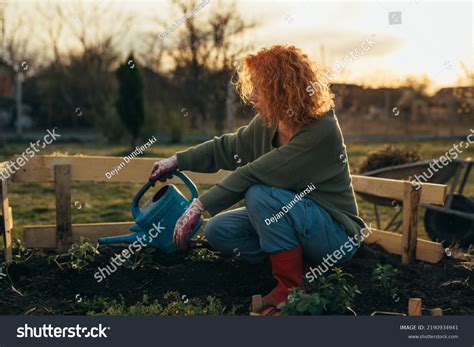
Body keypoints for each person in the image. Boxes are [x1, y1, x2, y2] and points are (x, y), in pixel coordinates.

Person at [149, 45, 366, 315]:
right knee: (219, 230)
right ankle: (301, 267)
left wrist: (198, 205)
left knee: (259, 194)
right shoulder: (270, 121)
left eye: (258, 88)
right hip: (294, 220)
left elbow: (253, 173)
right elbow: (228, 148)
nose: (251, 96)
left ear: (282, 90)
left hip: (335, 234)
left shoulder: (321, 130)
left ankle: (290, 288)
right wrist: (177, 161)